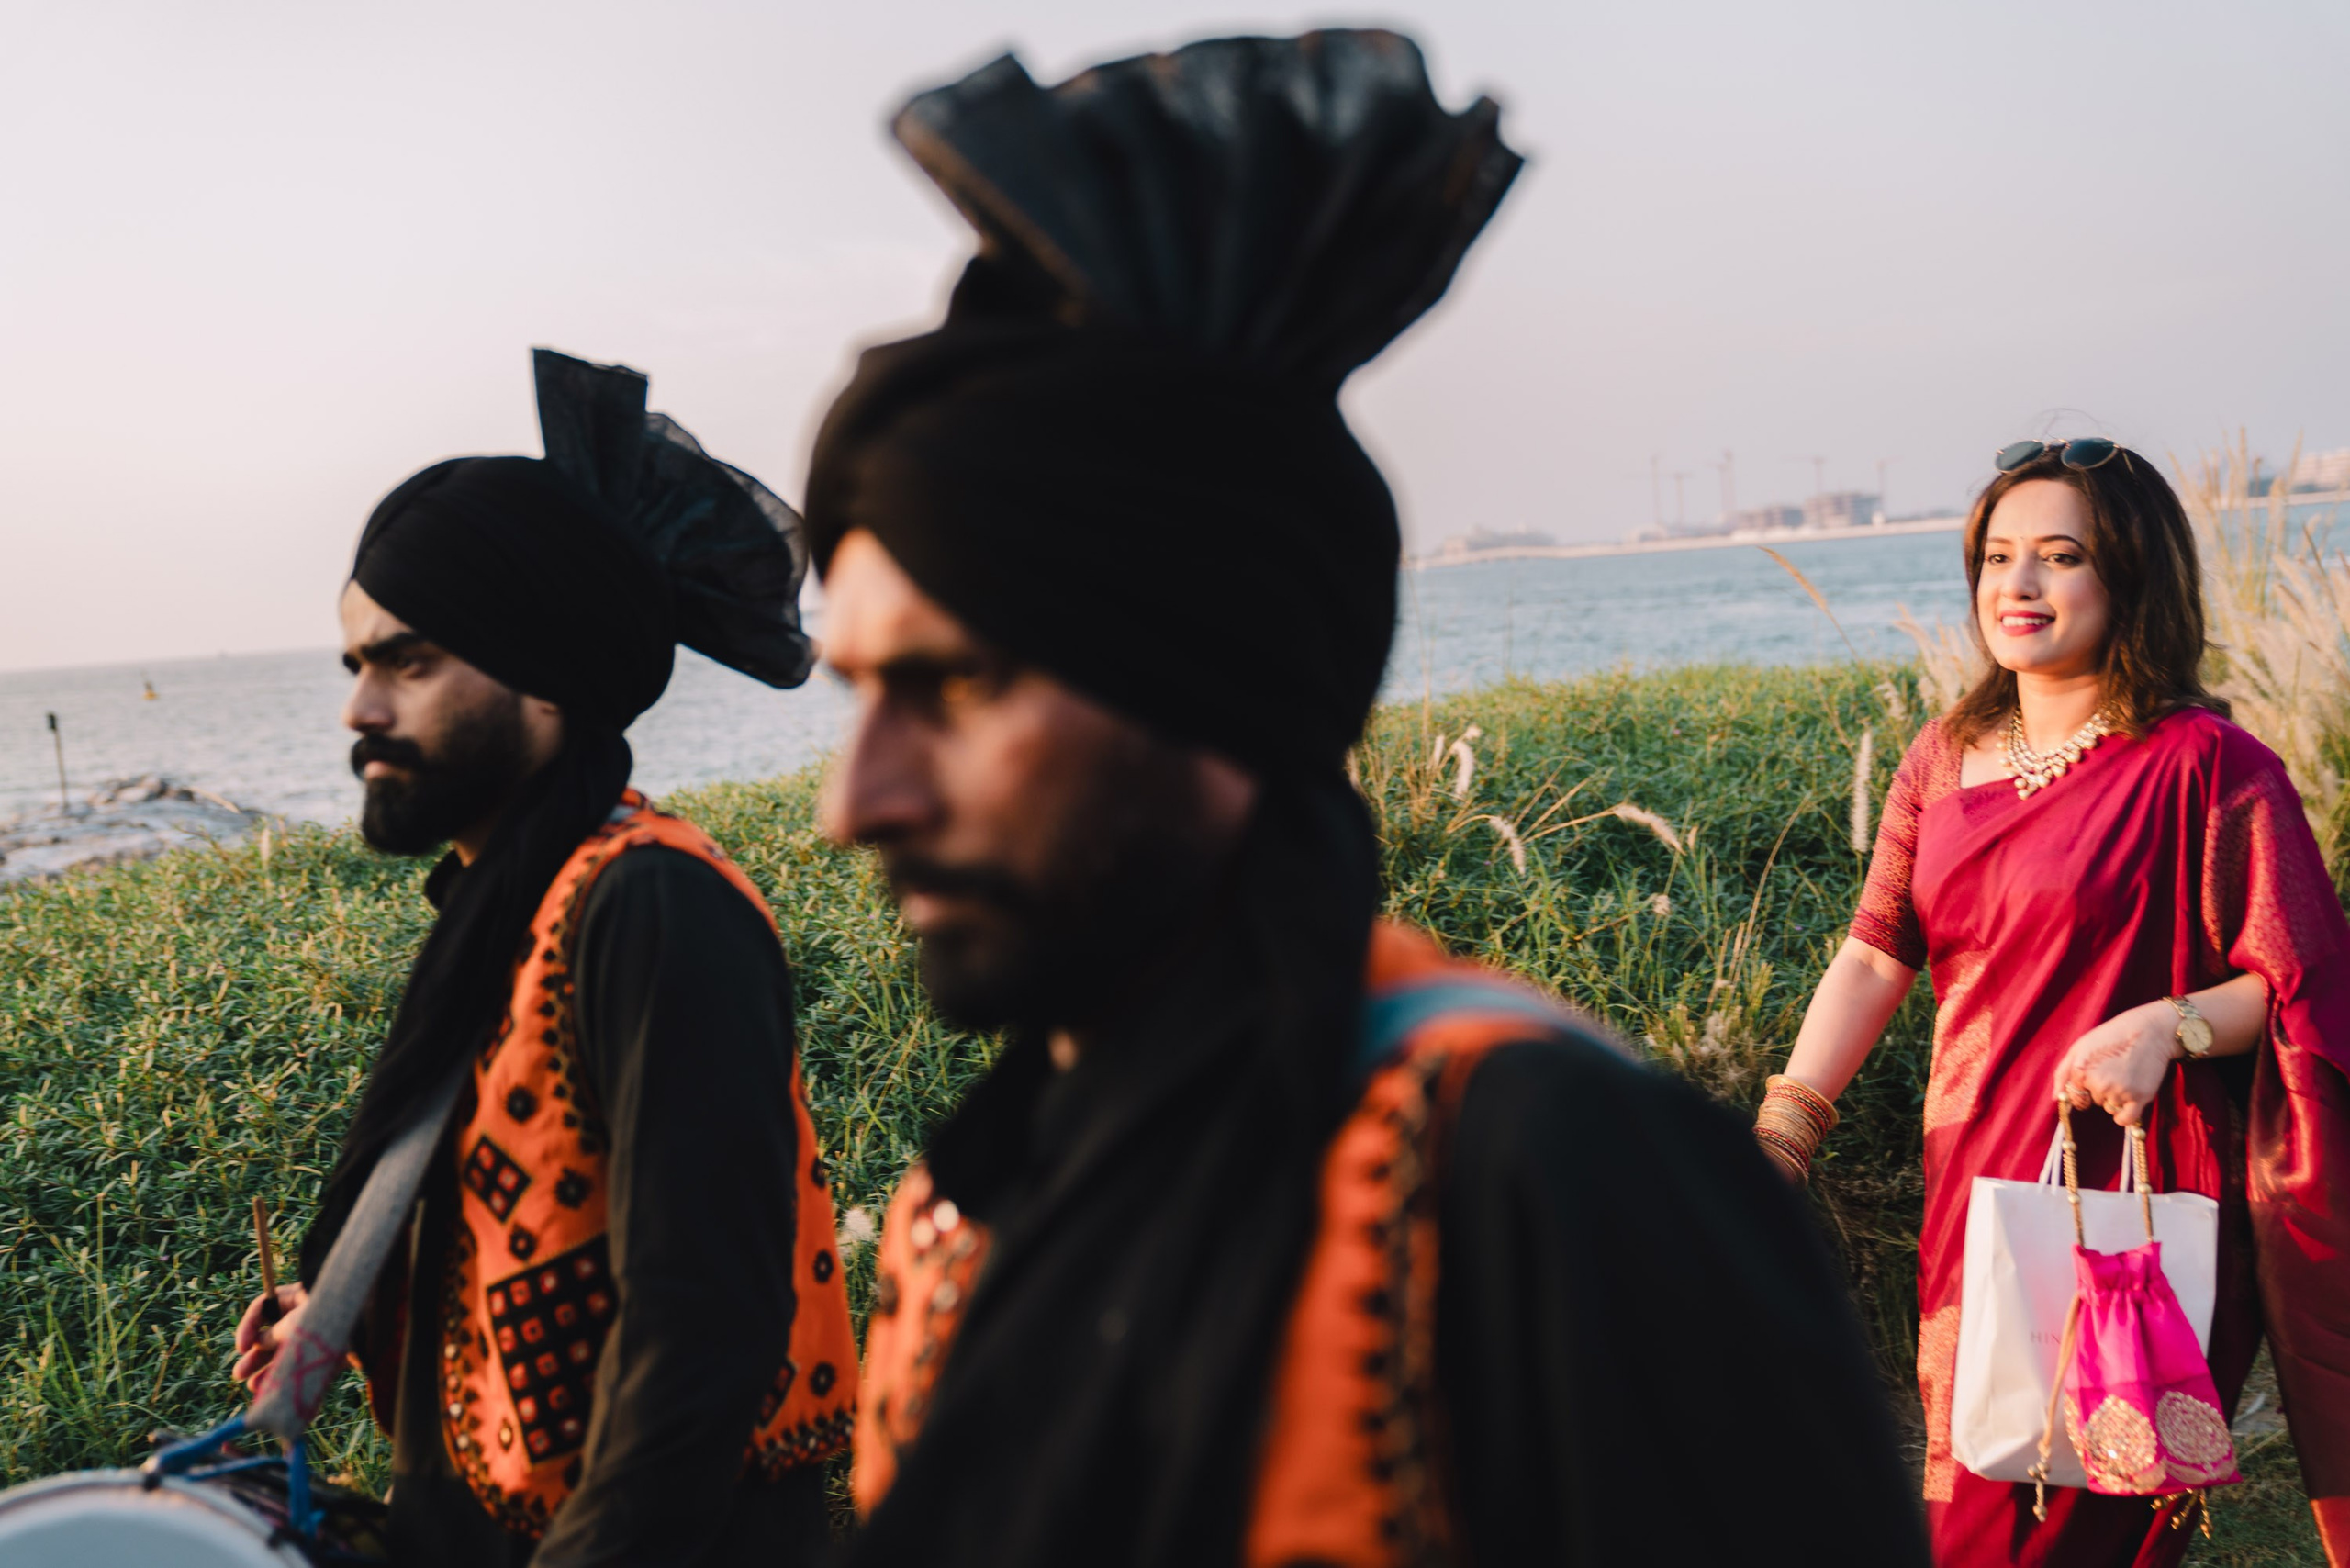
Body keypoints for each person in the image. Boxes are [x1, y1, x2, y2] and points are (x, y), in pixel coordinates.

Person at [805, 30, 1930, 1567]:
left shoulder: (1547, 1172)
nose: (855, 798)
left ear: (1204, 682)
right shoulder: (982, 1188)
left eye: (955, 687)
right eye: (853, 692)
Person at [229, 350, 856, 1566]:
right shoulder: (506, 906)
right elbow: (540, 1208)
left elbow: (701, 1347)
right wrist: (358, 1295)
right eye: (358, 663)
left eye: (409, 662)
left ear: (546, 680)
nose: (361, 712)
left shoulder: (653, 907)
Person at [1758, 437, 2350, 1567]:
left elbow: (2295, 979)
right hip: (1972, 1187)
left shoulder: (2206, 766)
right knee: (1971, 1487)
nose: (2015, 586)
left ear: (2128, 576)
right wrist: (1783, 1129)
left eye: (2058, 556)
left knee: (2065, 1520)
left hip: (2128, 1202)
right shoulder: (1943, 757)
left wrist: (2162, 1027)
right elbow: (1876, 953)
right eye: (1996, 556)